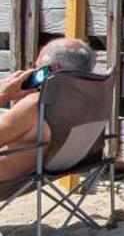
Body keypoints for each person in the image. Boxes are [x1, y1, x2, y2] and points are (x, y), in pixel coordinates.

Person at [0, 38, 96, 195]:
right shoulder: (92, 98)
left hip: (7, 182)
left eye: (38, 68)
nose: (33, 71)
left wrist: (2, 95)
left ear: (53, 69)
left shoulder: (37, 104)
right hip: (51, 171)